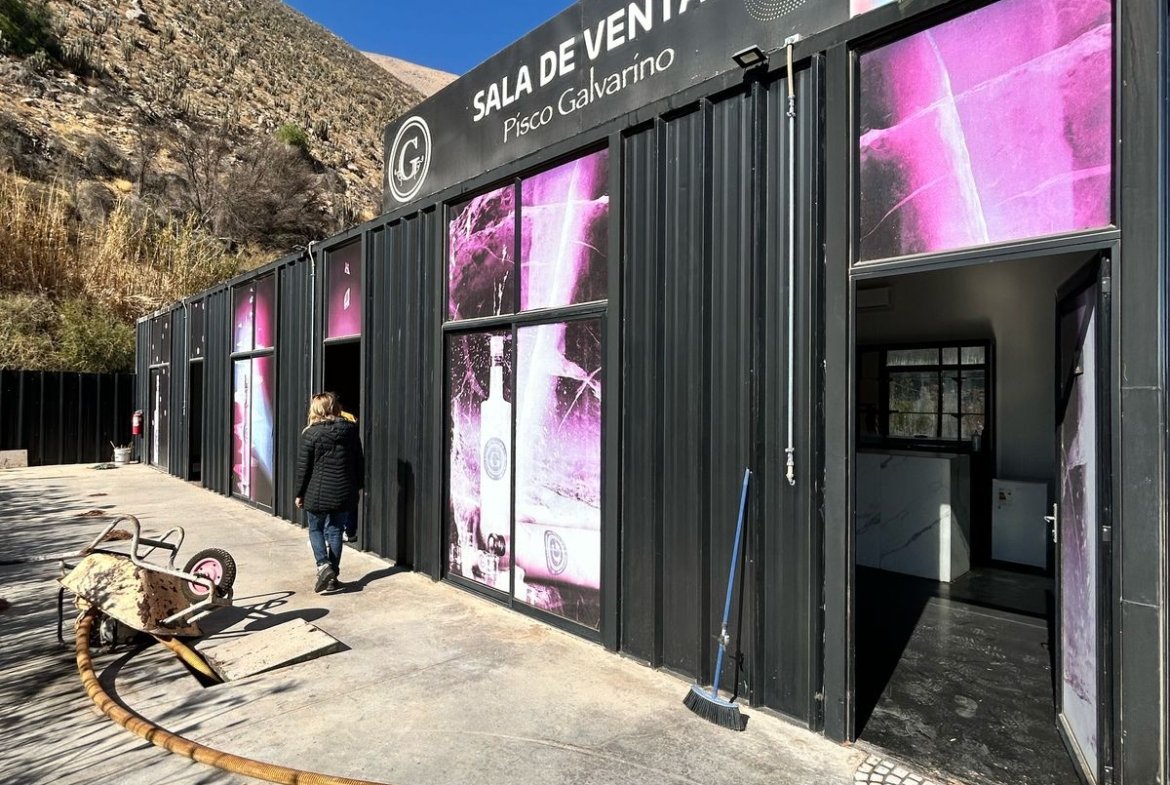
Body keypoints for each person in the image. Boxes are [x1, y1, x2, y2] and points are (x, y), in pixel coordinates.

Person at [294, 392, 364, 593]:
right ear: (335, 407)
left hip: (317, 492)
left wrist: (299, 493)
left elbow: (304, 468)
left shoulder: (311, 433)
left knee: (315, 529)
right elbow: (359, 461)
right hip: (344, 491)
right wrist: (358, 487)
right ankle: (333, 578)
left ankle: (324, 566)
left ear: (316, 409)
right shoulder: (351, 431)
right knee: (335, 531)